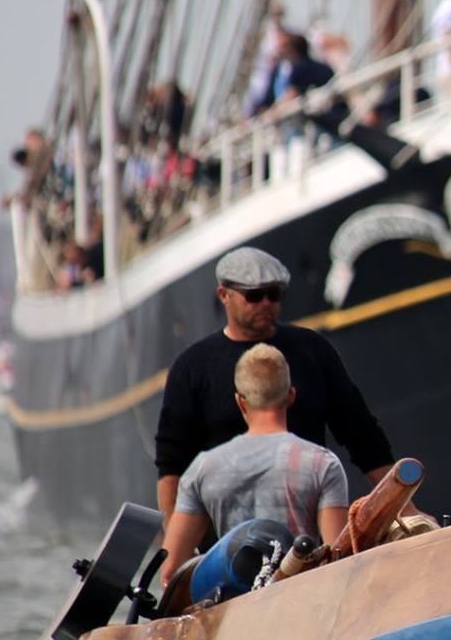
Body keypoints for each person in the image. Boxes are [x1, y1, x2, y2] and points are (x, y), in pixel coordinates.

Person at [155, 246, 394, 525]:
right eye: (254, 296)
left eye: (274, 294)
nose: (266, 303)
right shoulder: (193, 366)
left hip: (306, 530)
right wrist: (174, 536)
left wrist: (402, 507)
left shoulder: (312, 350)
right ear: (224, 295)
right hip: (223, 539)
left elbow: (360, 433)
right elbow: (171, 461)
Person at [159, 343, 350, 587]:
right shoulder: (322, 464)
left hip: (231, 611)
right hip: (299, 605)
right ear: (291, 395)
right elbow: (338, 559)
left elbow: (170, 571)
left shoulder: (202, 468)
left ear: (240, 401)